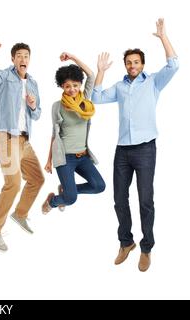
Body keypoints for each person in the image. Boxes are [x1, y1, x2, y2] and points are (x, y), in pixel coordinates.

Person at [92, 18, 179, 272]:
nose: (132, 65)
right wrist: (100, 72)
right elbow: (95, 98)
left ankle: (147, 247)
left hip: (144, 150)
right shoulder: (120, 87)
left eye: (136, 62)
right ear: (125, 65)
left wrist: (163, 37)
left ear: (142, 65)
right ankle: (126, 242)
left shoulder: (152, 82)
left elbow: (174, 65)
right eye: (129, 62)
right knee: (119, 199)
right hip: (122, 151)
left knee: (145, 200)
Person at [0, 40, 44, 251]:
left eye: (26, 56)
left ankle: (20, 214)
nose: (23, 59)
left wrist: (33, 105)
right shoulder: (4, 76)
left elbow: (38, 114)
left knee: (37, 179)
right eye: (19, 56)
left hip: (24, 140)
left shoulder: (32, 83)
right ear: (13, 59)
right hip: (5, 138)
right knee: (13, 183)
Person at [42, 53, 105, 214]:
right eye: (67, 86)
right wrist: (49, 160)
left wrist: (73, 58)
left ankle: (67, 190)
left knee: (99, 186)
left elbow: (90, 74)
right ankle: (53, 201)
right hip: (64, 158)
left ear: (80, 85)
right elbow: (54, 135)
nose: (72, 89)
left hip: (83, 156)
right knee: (70, 199)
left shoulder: (85, 101)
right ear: (62, 86)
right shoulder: (57, 106)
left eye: (76, 85)